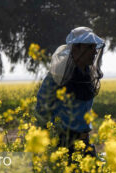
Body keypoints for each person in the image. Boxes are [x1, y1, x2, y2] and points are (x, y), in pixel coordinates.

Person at [35, 27, 105, 163]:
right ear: (75, 49)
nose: (95, 52)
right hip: (61, 144)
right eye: (90, 47)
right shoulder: (57, 77)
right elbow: (41, 110)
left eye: (95, 47)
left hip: (83, 143)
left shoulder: (87, 75)